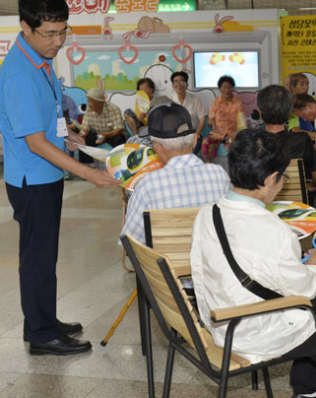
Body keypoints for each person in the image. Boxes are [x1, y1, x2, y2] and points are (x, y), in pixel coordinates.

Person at [191, 129, 316, 398]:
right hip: (251, 332)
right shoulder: (272, 228)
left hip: (218, 320)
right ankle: (307, 389)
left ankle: (307, 392)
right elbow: (303, 291)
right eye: (282, 178)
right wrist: (313, 265)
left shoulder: (207, 212)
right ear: (270, 180)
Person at [0, 0, 120, 356]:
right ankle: (41, 334)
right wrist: (89, 173)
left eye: (63, 31)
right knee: (38, 257)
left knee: (43, 255)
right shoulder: (20, 72)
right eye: (49, 34)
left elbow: (46, 117)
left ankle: (41, 319)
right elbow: (34, 143)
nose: (58, 41)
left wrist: (66, 134)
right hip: (32, 178)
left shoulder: (41, 59)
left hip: (45, 173)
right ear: (25, 26)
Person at [121, 102, 230, 244]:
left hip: (165, 265)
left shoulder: (147, 186)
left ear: (157, 148)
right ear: (195, 140)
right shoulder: (220, 176)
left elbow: (130, 240)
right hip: (211, 264)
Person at [258, 85, 316, 187]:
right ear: (290, 113)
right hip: (296, 201)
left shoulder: (250, 142)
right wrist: (311, 186)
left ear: (260, 113)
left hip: (261, 201)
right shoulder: (301, 140)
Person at [203, 75, 246, 162]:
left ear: (232, 88)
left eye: (229, 87)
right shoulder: (215, 102)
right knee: (206, 143)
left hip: (233, 133)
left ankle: (235, 172)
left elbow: (241, 121)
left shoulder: (238, 102)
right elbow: (210, 121)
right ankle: (208, 167)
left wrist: (237, 133)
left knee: (238, 151)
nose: (227, 90)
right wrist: (211, 122)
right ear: (220, 88)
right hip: (217, 134)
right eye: (224, 87)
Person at [79, 87, 126, 162]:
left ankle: (119, 162)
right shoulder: (89, 111)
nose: (89, 104)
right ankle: (87, 165)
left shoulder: (113, 108)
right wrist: (81, 134)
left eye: (91, 101)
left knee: (118, 139)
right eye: (88, 101)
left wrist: (105, 135)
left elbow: (118, 130)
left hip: (112, 134)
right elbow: (85, 129)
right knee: (83, 140)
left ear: (99, 102)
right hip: (98, 135)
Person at [169, 71, 206, 154]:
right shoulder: (169, 101)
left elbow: (202, 118)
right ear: (172, 85)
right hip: (176, 136)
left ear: (187, 85)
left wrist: (198, 133)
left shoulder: (195, 99)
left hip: (193, 134)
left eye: (182, 81)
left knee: (189, 153)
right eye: (176, 81)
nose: (179, 84)